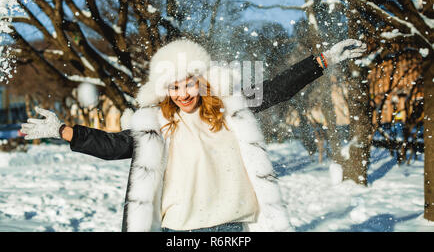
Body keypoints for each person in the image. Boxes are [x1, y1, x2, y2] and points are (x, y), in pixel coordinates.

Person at [21, 38, 366, 232]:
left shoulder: (232, 105)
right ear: (164, 88)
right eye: (174, 86)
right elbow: (114, 146)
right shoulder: (156, 123)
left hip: (231, 228)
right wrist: (64, 130)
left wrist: (322, 60)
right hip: (178, 232)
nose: (183, 93)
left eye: (188, 83)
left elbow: (277, 89)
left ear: (201, 80)